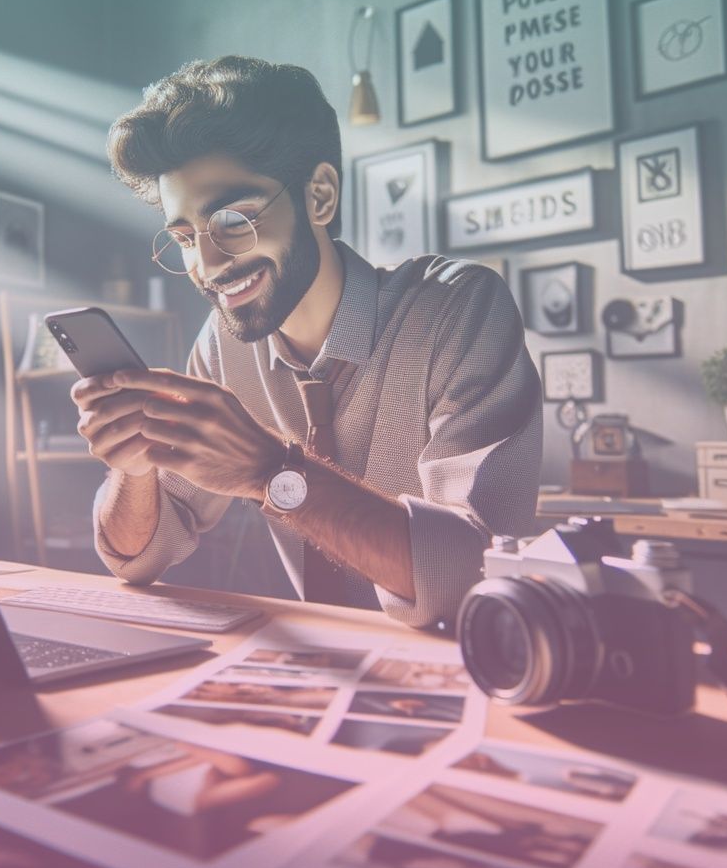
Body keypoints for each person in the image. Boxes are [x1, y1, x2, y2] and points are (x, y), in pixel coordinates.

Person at [73, 56, 541, 629]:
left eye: (233, 220)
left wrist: (270, 470)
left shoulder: (457, 310)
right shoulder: (225, 343)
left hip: (471, 668)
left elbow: (480, 577)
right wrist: (133, 464)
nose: (208, 264)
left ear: (319, 196)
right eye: (185, 237)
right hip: (322, 666)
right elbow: (139, 557)